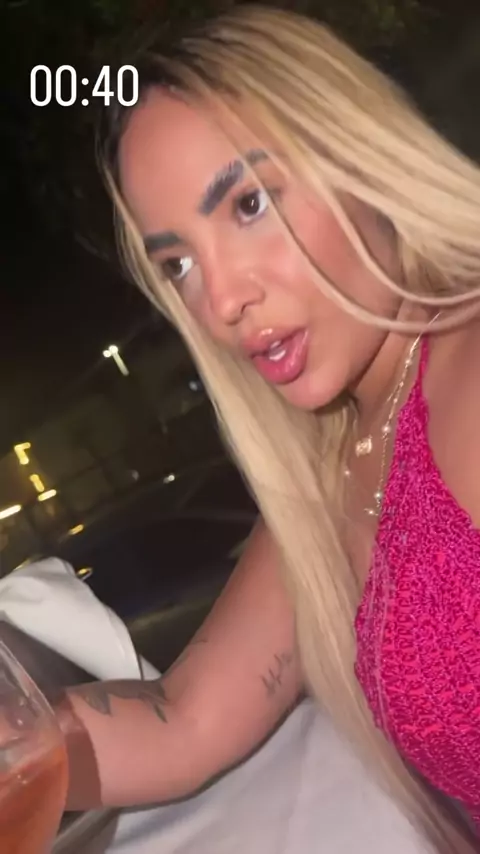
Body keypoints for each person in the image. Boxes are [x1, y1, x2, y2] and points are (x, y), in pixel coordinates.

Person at [54, 6, 480, 852]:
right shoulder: (336, 470)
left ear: (355, 154)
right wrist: (21, 735)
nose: (221, 300)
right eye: (178, 263)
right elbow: (184, 722)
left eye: (247, 203)